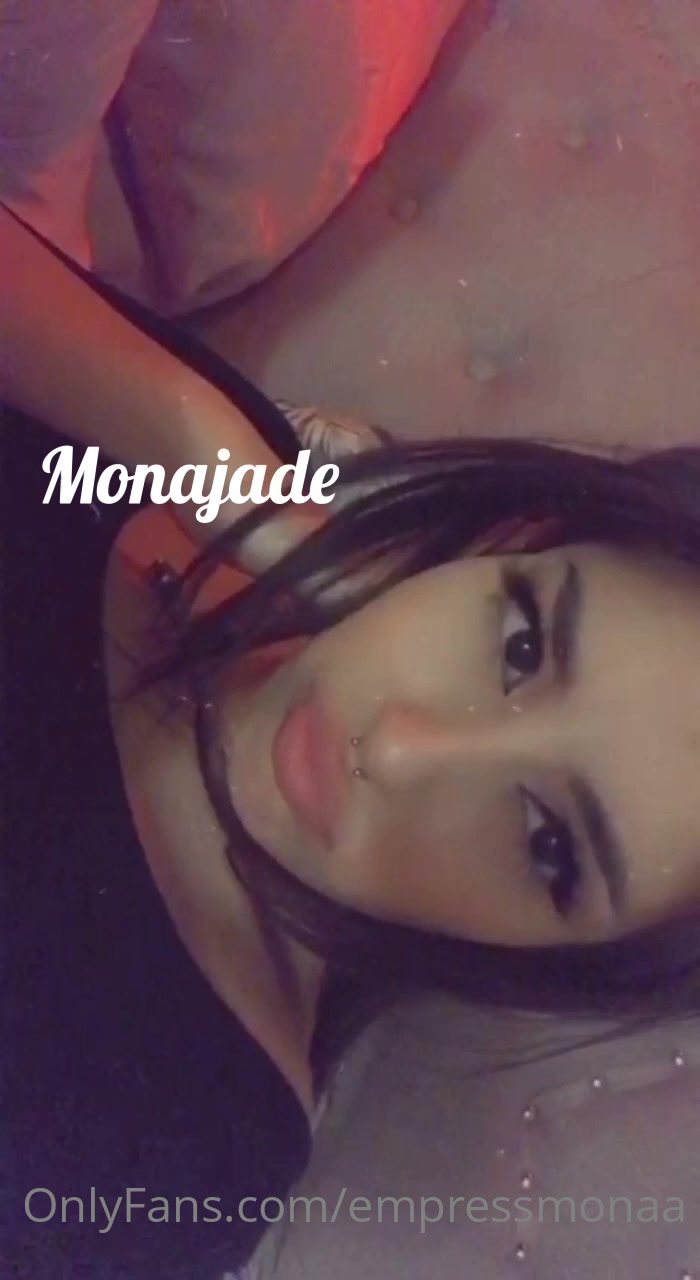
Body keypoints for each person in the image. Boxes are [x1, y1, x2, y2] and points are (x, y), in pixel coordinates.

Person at [4, 196, 700, 1278]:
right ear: (517, 536)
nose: (404, 752)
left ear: (555, 966)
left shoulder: (169, 1150)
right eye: (520, 644)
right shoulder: (224, 448)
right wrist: (177, 428)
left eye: (549, 848)